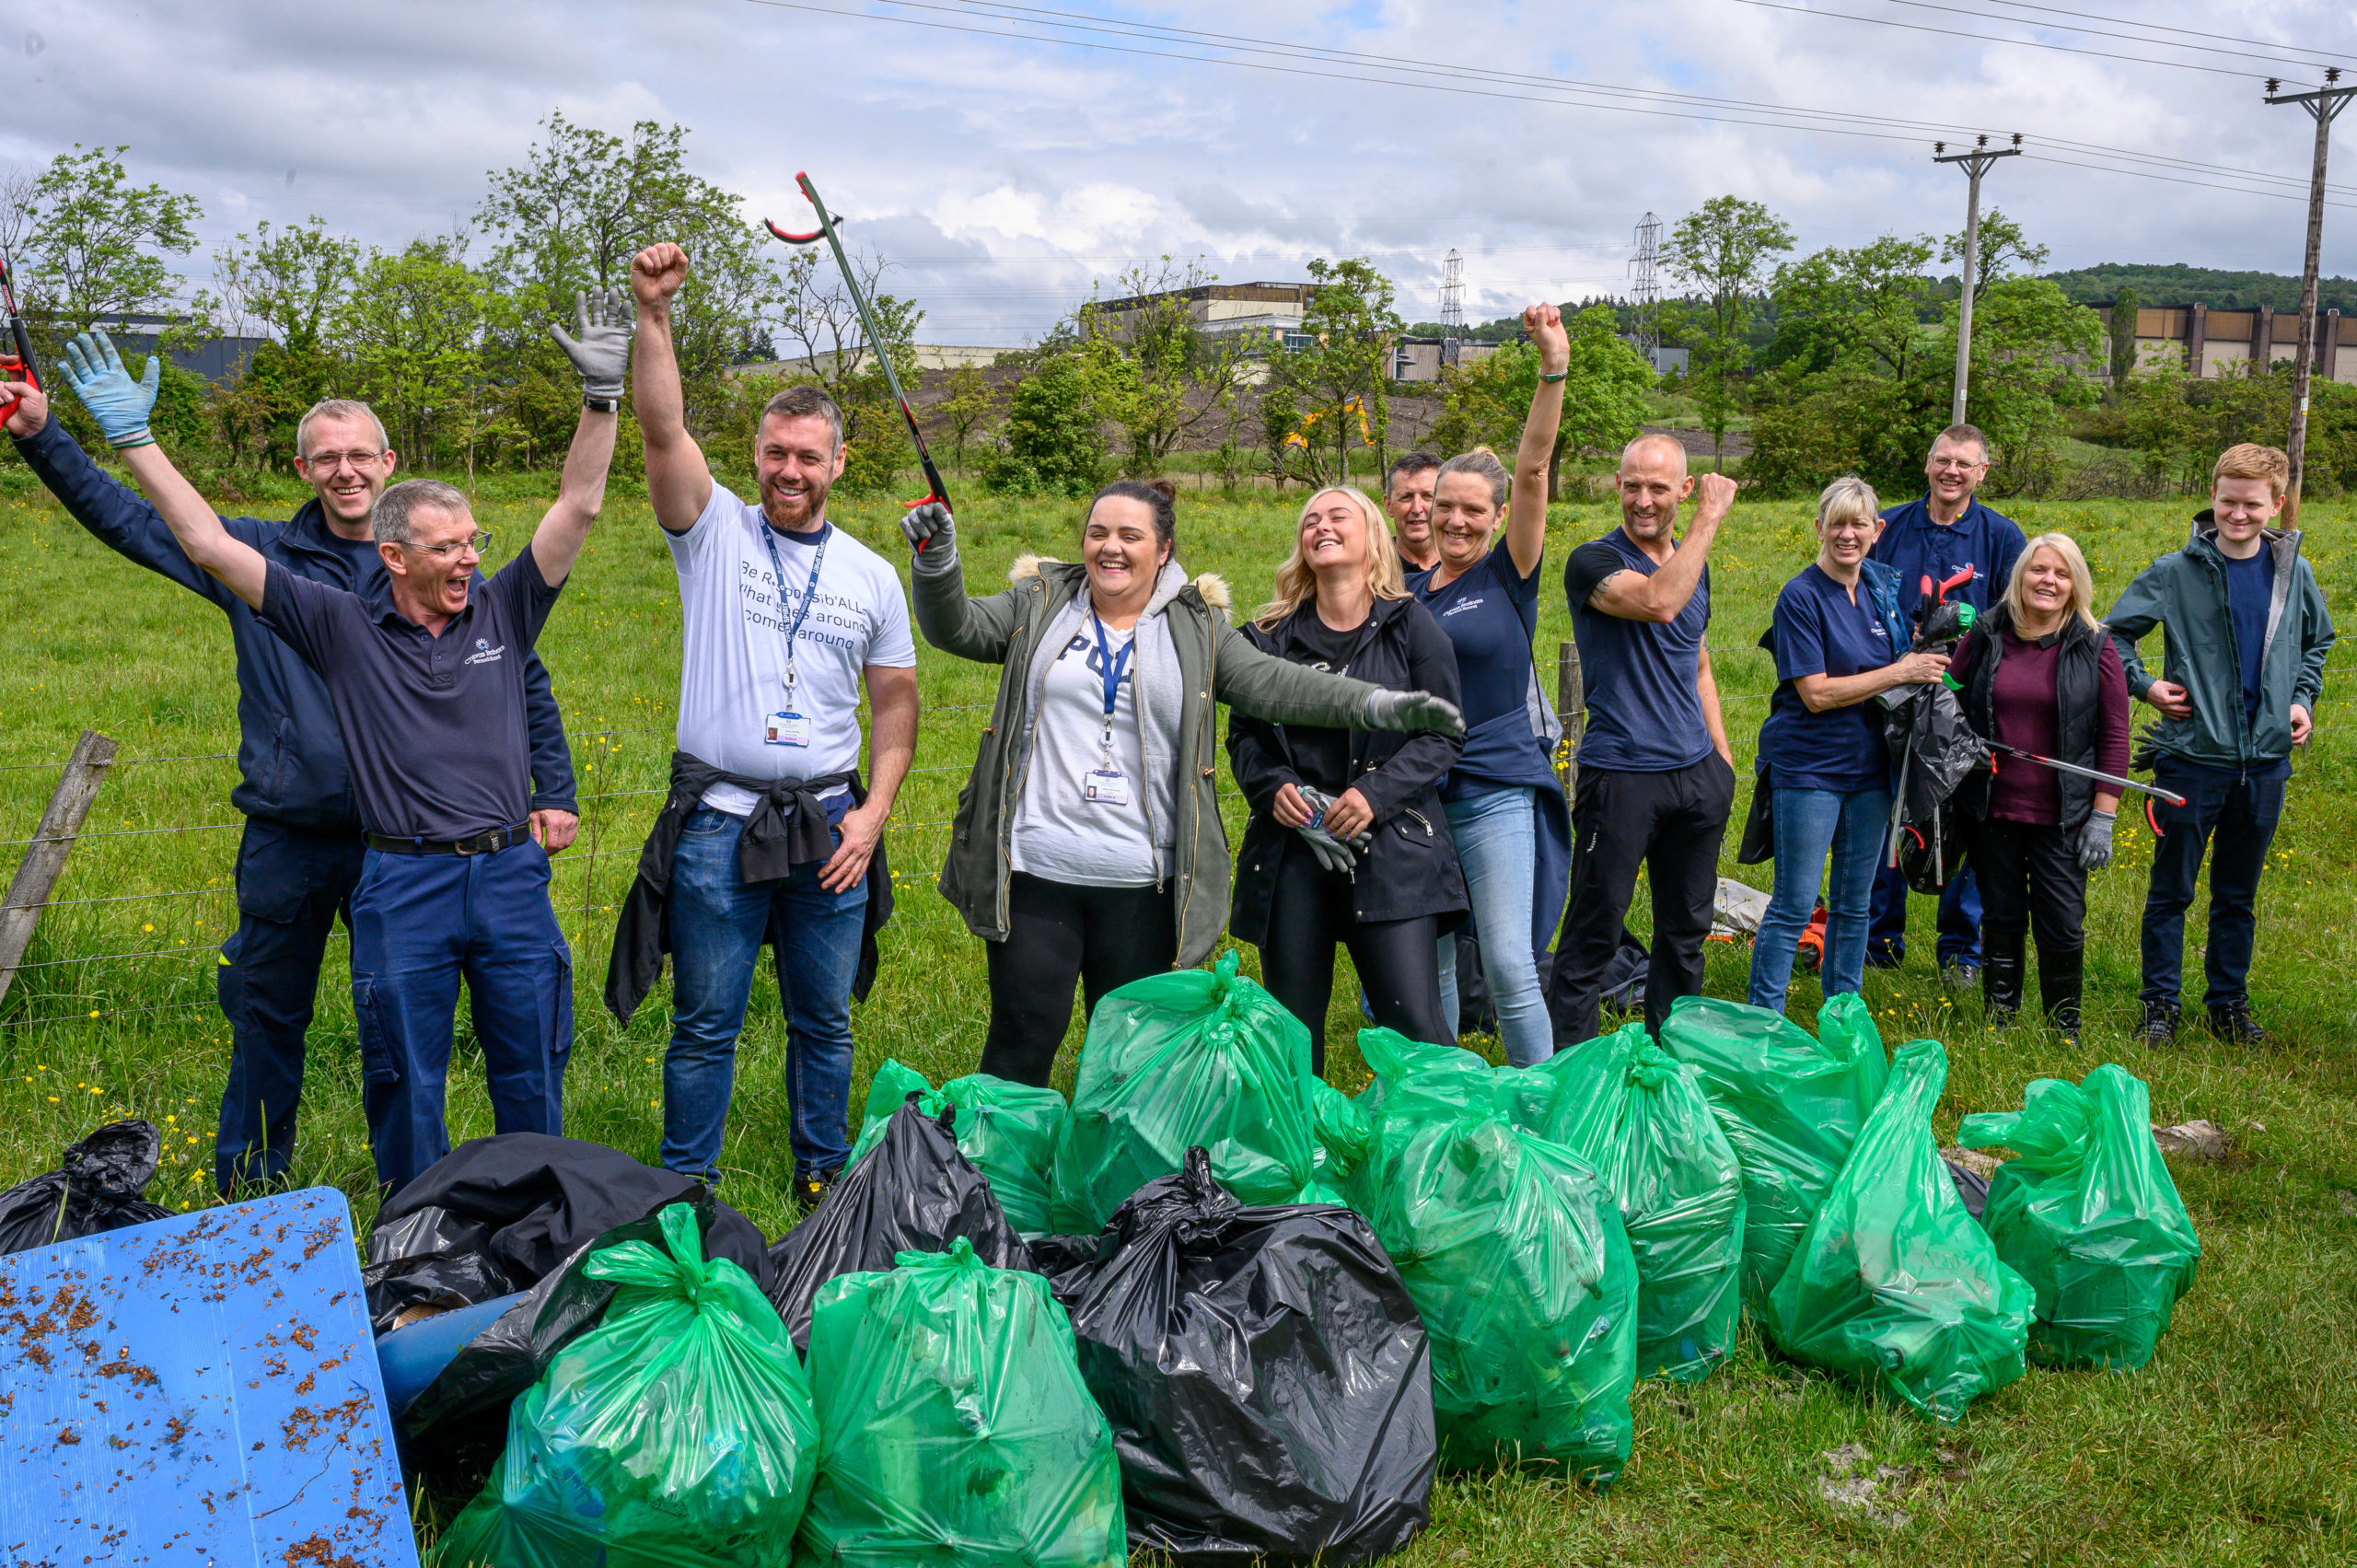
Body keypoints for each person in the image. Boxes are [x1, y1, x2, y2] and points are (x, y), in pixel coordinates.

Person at [52, 300, 624, 1198]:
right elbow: (201, 540)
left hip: (506, 872)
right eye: (446, 548)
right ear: (394, 557)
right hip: (388, 873)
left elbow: (579, 504)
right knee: (397, 1074)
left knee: (529, 1066)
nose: (468, 559)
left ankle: (532, 1232)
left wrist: (602, 395)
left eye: (471, 542)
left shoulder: (502, 609)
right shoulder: (338, 625)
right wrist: (132, 438)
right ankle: (399, 1234)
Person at [900, 481, 1463, 1088]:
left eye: (1130, 535)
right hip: (1037, 872)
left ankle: (1124, 1187)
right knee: (1019, 1041)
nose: (1111, 547)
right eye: (1098, 533)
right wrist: (936, 560)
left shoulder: (1195, 628)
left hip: (1145, 882)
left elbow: (1278, 685)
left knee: (1134, 1067)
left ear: (1164, 549)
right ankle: (1004, 1181)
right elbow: (953, 627)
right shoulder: (1039, 602)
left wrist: (1375, 705)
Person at [609, 242, 918, 1208]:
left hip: (830, 825)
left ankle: (821, 1170)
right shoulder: (714, 532)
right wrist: (653, 315)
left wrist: (872, 815)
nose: (789, 470)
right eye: (775, 453)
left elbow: (897, 704)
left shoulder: (870, 574)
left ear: (837, 461)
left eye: (807, 456)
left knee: (824, 1021)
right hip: (720, 824)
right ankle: (688, 1185)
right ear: (755, 455)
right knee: (706, 1018)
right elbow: (662, 431)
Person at [1227, 485, 1467, 1067]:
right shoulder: (1266, 639)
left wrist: (1373, 794)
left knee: (1413, 1024)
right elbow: (1245, 738)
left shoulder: (1412, 627)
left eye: (1338, 516)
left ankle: (1441, 1148)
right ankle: (1297, 1150)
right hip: (1294, 853)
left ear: (1371, 539)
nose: (1322, 527)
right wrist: (1274, 787)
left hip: (1391, 849)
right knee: (1291, 1030)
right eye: (1311, 521)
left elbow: (1445, 732)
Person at [2105, 443, 2335, 1046]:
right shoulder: (2172, 571)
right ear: (2213, 497)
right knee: (2171, 889)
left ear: (2277, 504)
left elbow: (2318, 642)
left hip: (2263, 764)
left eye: (2253, 504)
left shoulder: (2293, 573)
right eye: (2228, 501)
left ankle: (2228, 1004)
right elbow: (2112, 639)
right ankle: (2159, 1004)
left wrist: (2302, 700)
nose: (2238, 514)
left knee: (2238, 894)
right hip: (2190, 759)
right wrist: (2147, 685)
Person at [1415, 303, 1572, 1068]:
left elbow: (1536, 465)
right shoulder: (1404, 593)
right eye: (1443, 506)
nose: (1454, 519)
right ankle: (1448, 1107)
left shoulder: (1509, 576)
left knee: (1509, 962)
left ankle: (1541, 1106)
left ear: (1499, 514)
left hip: (1496, 791)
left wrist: (1553, 368)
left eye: (1473, 509)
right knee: (1435, 967)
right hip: (1419, 797)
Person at [1547, 434, 1737, 1047]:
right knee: (1592, 935)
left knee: (1685, 933)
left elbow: (1698, 662)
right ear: (1618, 486)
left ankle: (1671, 1066)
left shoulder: (1691, 557)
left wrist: (1722, 759)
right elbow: (1659, 602)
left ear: (1682, 487)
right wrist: (1709, 517)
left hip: (1695, 776)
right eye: (1632, 484)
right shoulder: (1593, 561)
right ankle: (1571, 1077)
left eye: (1658, 486)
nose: (1643, 499)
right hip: (1622, 773)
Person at [1745, 477, 1933, 1016]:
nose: (1847, 535)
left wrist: (1923, 658)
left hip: (1872, 767)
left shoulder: (1880, 587)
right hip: (1810, 769)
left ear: (1878, 531)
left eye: (1859, 524)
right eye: (1837, 523)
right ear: (1820, 529)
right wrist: (1899, 670)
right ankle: (1764, 1020)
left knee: (1856, 905)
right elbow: (1817, 693)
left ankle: (1843, 1014)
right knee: (1796, 903)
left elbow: (1899, 671)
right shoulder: (1800, 596)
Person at [1948, 532, 2131, 1039]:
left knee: (2062, 922)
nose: (2047, 581)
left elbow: (2115, 737)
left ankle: (2062, 1026)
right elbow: (1948, 699)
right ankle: (2000, 1018)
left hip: (2064, 815)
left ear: (2075, 586)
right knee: (2001, 914)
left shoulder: (2096, 645)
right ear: (2020, 576)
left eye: (2061, 573)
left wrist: (2104, 817)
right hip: (1991, 808)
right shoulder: (1985, 633)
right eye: (2039, 570)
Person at [1864, 422, 2026, 981]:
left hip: (1968, 700)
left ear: (1982, 472)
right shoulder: (1892, 526)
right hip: (1893, 689)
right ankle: (1879, 939)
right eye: (1943, 460)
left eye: (1965, 463)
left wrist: (1972, 635)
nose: (1951, 472)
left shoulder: (2003, 538)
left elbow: (2019, 616)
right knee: (1886, 807)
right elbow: (1862, 594)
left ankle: (1960, 948)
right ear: (1928, 464)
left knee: (1963, 815)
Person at [1384, 451, 1442, 574]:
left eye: (1428, 496)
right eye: (1406, 497)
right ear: (1388, 505)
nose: (1417, 509)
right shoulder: (1368, 571)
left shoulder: (1470, 570)